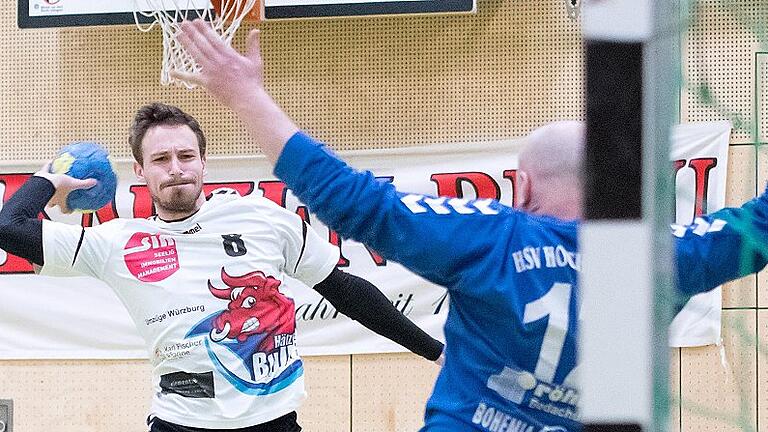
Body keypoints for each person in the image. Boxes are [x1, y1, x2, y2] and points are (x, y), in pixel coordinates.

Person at [170, 19, 768, 432]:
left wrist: (246, 96)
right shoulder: (667, 256)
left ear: (522, 187)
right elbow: (759, 224)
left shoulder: (494, 237)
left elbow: (355, 202)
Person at [0, 102, 444, 432]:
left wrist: (435, 351)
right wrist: (48, 181)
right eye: (160, 160)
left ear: (204, 161)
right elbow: (8, 226)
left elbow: (345, 290)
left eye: (185, 156)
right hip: (180, 423)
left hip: (273, 422)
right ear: (140, 171)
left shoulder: (263, 218)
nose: (176, 169)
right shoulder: (115, 242)